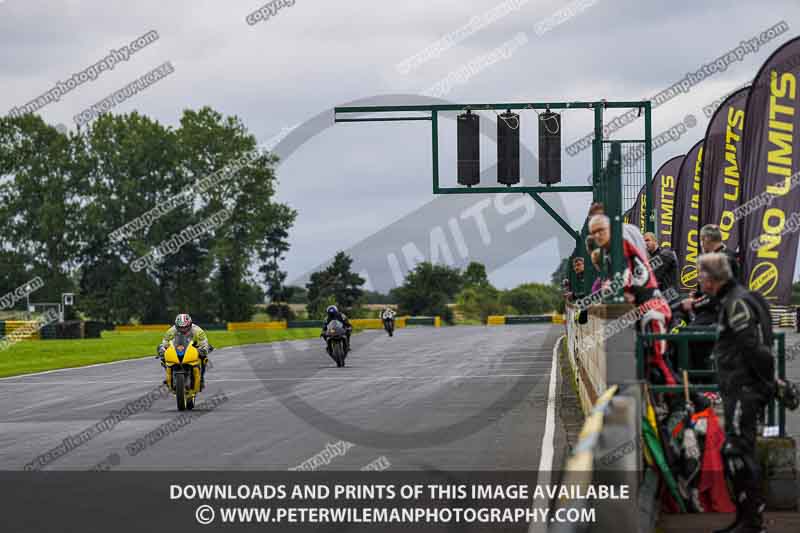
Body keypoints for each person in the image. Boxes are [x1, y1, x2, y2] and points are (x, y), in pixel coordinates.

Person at [697, 253, 774, 533]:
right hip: (737, 388)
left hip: (744, 389)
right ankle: (745, 519)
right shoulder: (729, 299)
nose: (698, 280)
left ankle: (753, 522)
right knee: (739, 449)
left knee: (737, 450)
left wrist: (768, 384)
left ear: (710, 278)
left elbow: (755, 348)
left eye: (700, 275)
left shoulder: (736, 301)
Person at [588, 214, 677, 386]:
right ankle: (674, 404)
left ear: (611, 230)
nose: (597, 235)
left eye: (601, 230)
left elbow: (636, 275)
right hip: (641, 310)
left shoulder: (621, 247)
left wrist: (619, 289)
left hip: (652, 309)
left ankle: (688, 404)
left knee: (658, 361)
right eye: (594, 233)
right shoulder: (609, 254)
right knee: (647, 366)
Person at [157, 314, 211, 388]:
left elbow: (204, 341)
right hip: (177, 347)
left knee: (204, 357)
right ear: (176, 325)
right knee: (163, 356)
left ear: (190, 324)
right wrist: (163, 349)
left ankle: (201, 378)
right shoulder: (171, 330)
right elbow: (165, 341)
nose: (183, 329)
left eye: (185, 327)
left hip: (192, 347)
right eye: (180, 327)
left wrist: (204, 348)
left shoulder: (198, 330)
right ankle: (169, 376)